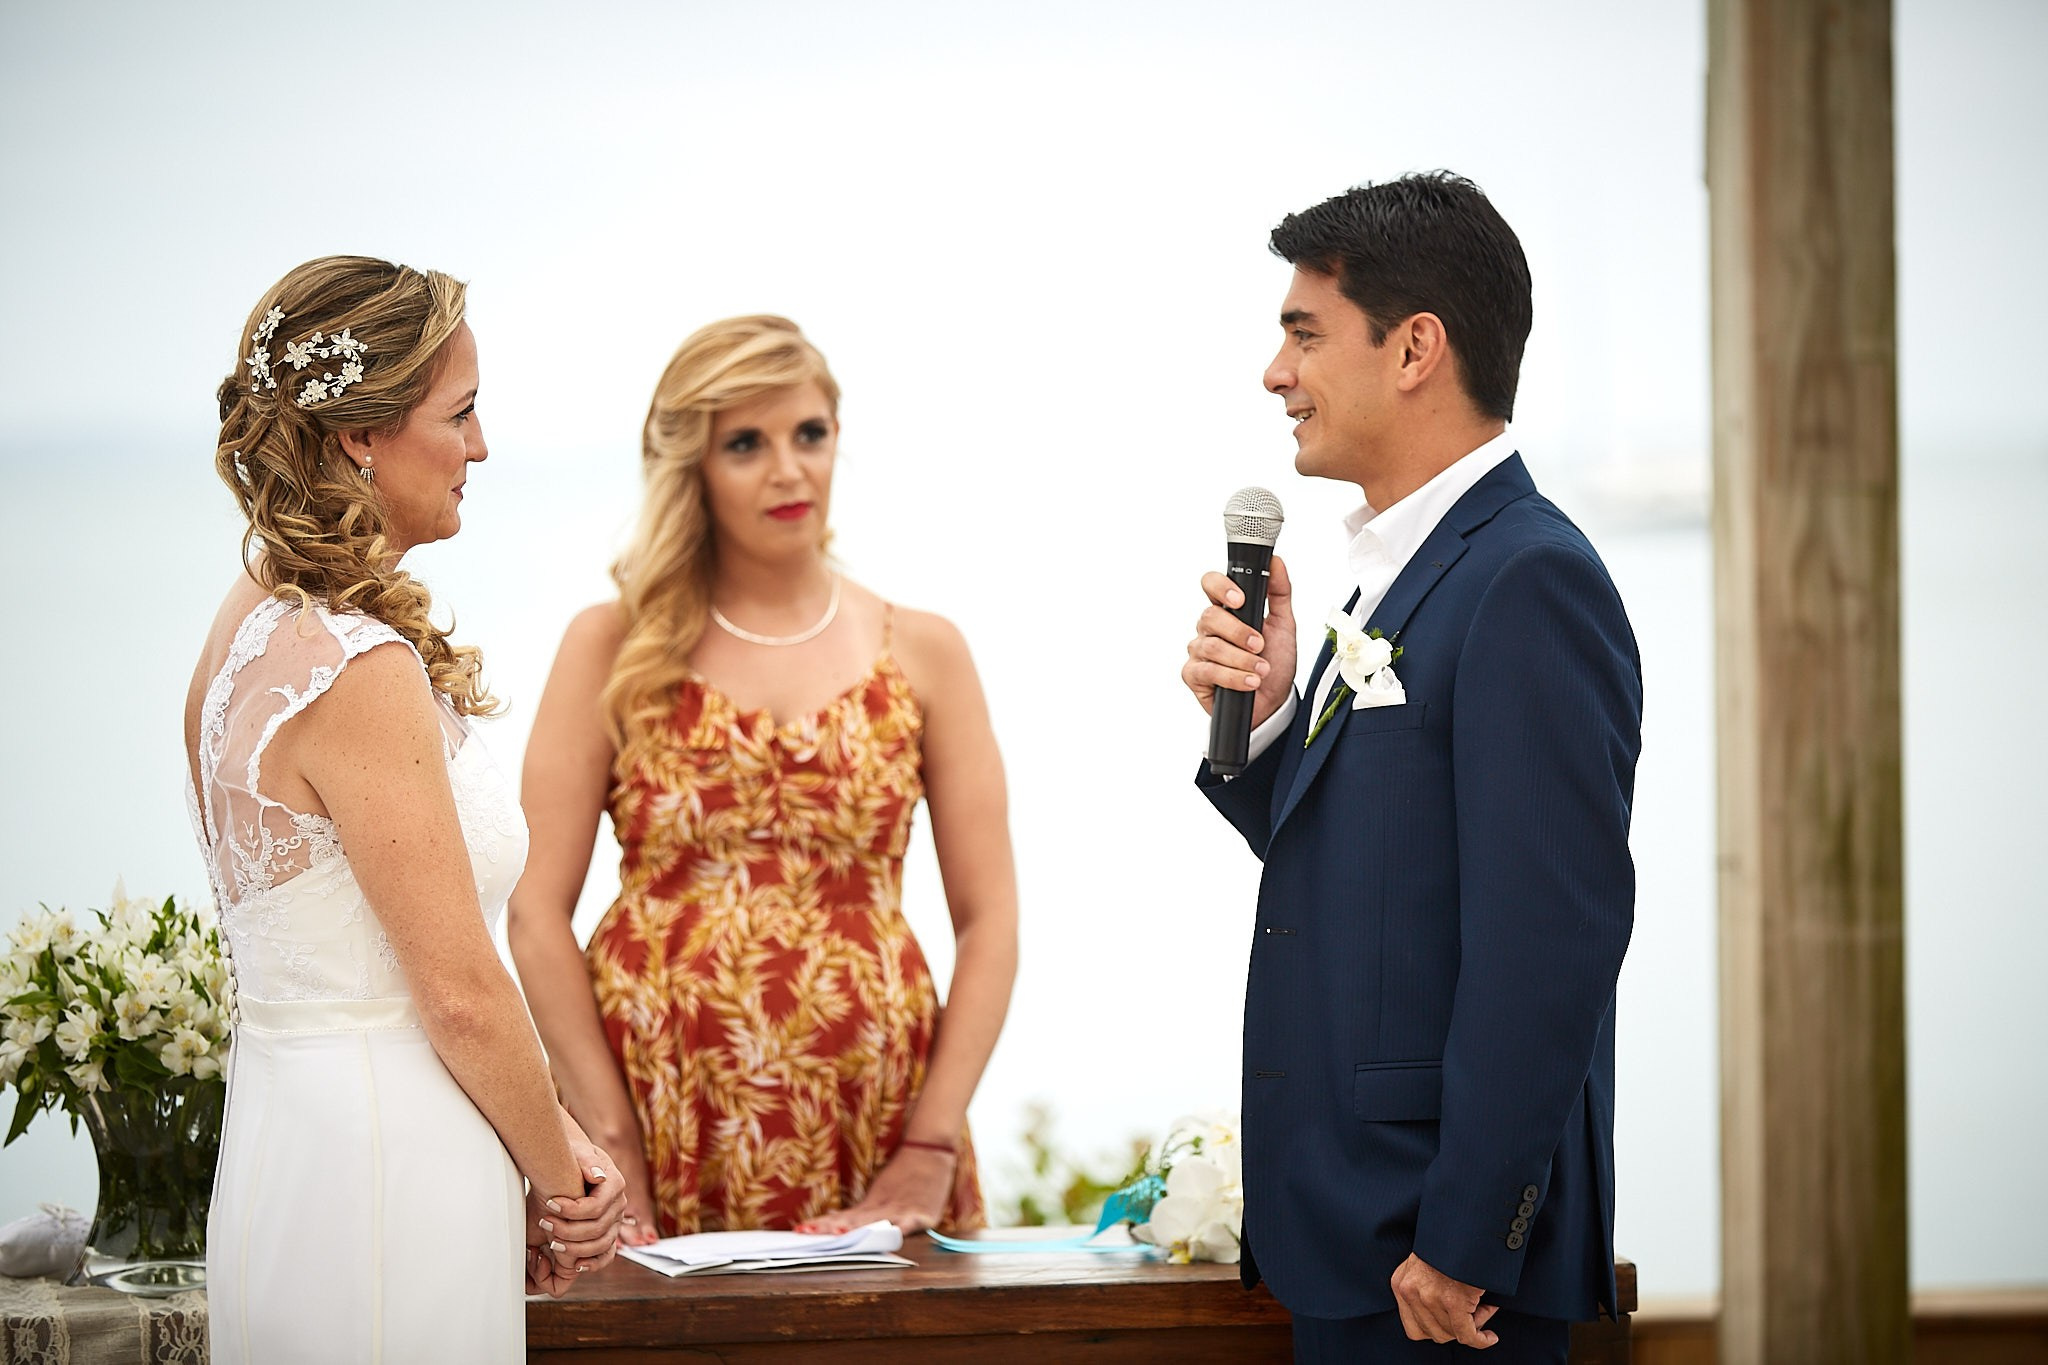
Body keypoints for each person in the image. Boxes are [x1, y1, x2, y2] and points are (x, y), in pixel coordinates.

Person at [1181, 174, 1643, 1363]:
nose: (1274, 373)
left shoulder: (1526, 579)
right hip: (1352, 1239)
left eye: (1303, 334)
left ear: (1413, 350)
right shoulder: (1401, 574)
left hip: (1436, 1276)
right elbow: (1370, 872)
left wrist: (1463, 1240)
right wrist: (1270, 723)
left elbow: (1550, 940)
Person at [185, 256, 626, 1362]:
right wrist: (562, 1175)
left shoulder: (241, 628)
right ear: (358, 436)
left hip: (288, 1141)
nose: (481, 447)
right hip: (393, 1162)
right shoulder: (356, 665)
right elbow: (460, 991)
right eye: (461, 413)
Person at [508, 315, 1017, 1242]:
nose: (789, 469)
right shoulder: (611, 644)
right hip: (656, 1111)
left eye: (809, 434)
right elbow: (535, 911)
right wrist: (610, 1139)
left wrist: (930, 1145)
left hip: (876, 1120)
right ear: (692, 467)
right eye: (746, 443)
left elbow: (990, 920)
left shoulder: (926, 650)